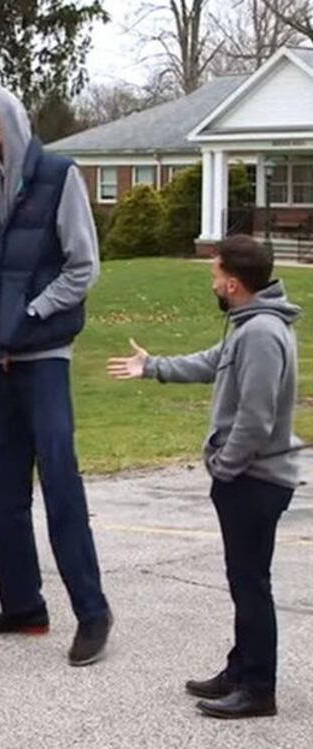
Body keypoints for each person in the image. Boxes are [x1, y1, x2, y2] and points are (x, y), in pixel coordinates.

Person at [107, 235, 300, 719]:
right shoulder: (249, 325)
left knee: (251, 584)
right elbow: (213, 362)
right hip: (249, 478)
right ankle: (241, 670)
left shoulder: (261, 334)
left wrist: (226, 467)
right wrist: (152, 367)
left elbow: (256, 418)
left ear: (233, 284)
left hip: (255, 480)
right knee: (244, 581)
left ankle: (258, 689)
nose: (212, 281)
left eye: (215, 274)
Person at [0, 83, 112, 666]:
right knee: (0, 489)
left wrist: (33, 312)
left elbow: (83, 266)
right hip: (0, 361)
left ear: (12, 115)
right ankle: (23, 606)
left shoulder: (58, 176)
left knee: (61, 487)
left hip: (46, 360)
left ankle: (93, 613)